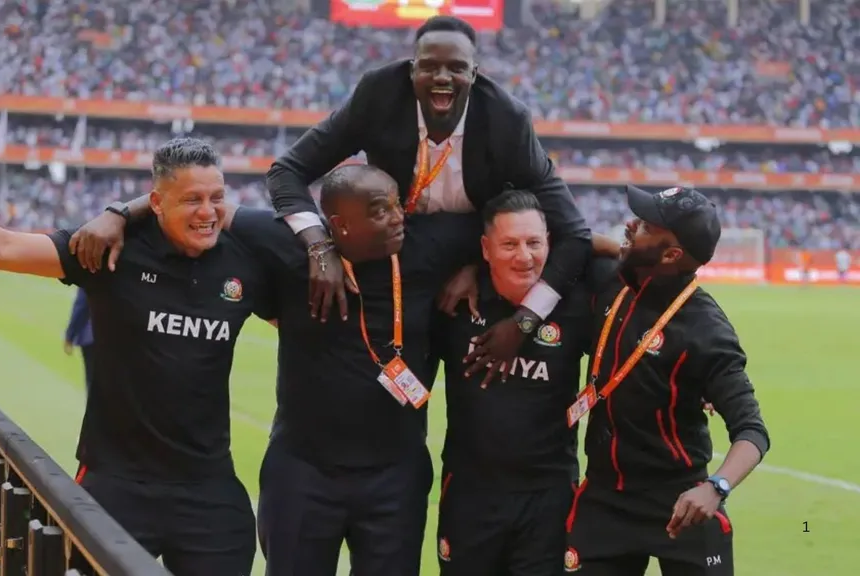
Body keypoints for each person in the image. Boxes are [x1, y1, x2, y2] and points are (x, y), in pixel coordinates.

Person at [70, 164, 483, 576]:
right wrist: (119, 211)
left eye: (397, 206)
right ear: (337, 224)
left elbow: (510, 216)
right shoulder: (284, 241)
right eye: (380, 210)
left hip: (396, 476)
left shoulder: (425, 241)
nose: (398, 218)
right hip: (303, 475)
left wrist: (473, 269)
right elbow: (202, 205)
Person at [0, 140, 273, 575]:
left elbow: (301, 325)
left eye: (216, 198)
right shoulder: (111, 247)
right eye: (192, 200)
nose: (208, 212)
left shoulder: (244, 261)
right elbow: (3, 248)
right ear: (156, 204)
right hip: (116, 483)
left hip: (210, 489)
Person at [265, 15, 592, 383]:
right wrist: (320, 248)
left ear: (474, 74)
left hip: (471, 278)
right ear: (410, 69)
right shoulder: (380, 94)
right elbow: (287, 171)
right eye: (429, 66)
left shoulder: (506, 120)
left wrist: (523, 322)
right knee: (384, 404)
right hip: (397, 263)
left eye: (456, 68)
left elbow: (574, 233)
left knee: (483, 416)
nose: (442, 77)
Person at [565, 185, 771, 576]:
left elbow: (752, 432)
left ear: (672, 254)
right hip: (604, 502)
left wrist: (716, 488)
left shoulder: (707, 330)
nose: (630, 224)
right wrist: (619, 247)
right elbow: (570, 237)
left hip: (681, 503)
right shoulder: (613, 282)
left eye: (644, 225)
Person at [433, 190, 613, 576]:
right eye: (509, 244)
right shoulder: (457, 297)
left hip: (547, 499)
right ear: (484, 248)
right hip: (469, 497)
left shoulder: (577, 300)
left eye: (535, 243)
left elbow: (638, 312)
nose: (524, 256)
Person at [64, 287, 94, 392]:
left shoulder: (92, 272)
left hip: (92, 338)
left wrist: (69, 336)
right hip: (117, 339)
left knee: (94, 385)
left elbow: (81, 306)